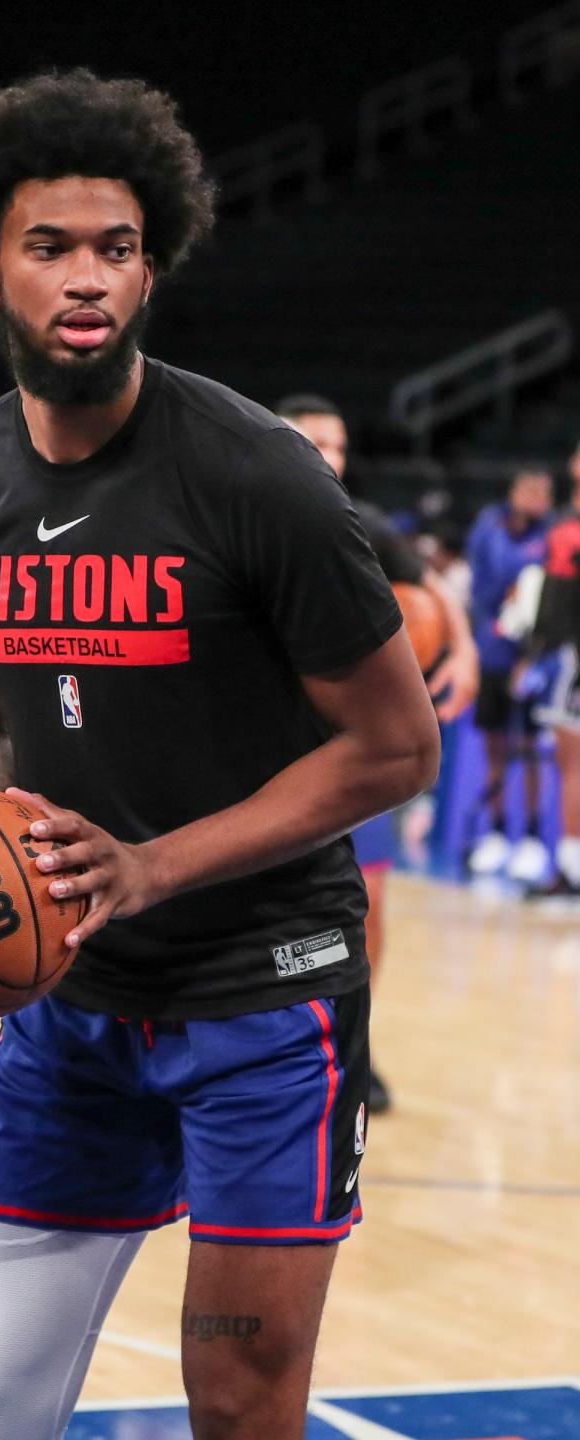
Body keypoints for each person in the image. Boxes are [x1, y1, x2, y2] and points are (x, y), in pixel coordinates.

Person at [0, 70, 440, 1440]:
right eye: (49, 247)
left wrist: (149, 867)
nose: (88, 277)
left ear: (151, 265)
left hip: (265, 1004)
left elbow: (396, 748)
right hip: (72, 1007)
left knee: (238, 1396)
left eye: (117, 247)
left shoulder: (258, 474)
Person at [276, 394, 478, 1115]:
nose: (325, 456)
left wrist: (468, 650)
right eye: (310, 442)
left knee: (369, 904)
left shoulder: (361, 524)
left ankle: (353, 1045)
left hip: (350, 751)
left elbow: (434, 586)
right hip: (263, 746)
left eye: (334, 445)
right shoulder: (235, 519)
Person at [466, 468, 553, 881]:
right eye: (530, 489)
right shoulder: (489, 526)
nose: (536, 498)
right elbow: (482, 589)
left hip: (536, 659)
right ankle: (497, 834)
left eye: (543, 492)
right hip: (493, 654)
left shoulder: (554, 534)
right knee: (495, 746)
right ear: (514, 490)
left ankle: (533, 837)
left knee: (532, 747)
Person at [519, 440, 580, 900]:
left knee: (571, 764)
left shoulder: (567, 532)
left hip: (570, 656)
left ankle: (569, 868)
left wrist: (537, 653)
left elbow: (555, 603)